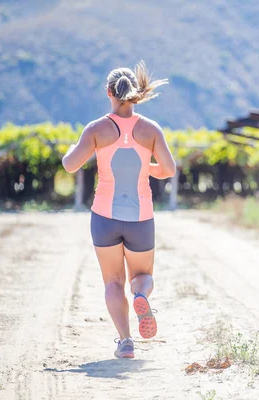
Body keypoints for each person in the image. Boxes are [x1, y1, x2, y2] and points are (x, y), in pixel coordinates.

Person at [62, 61, 176, 358]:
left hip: (104, 217)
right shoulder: (150, 129)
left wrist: (70, 151)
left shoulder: (96, 129)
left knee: (113, 282)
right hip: (140, 217)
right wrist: (142, 167)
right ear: (135, 93)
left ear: (109, 92)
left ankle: (125, 342)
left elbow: (70, 165)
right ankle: (141, 296)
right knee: (142, 276)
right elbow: (168, 169)